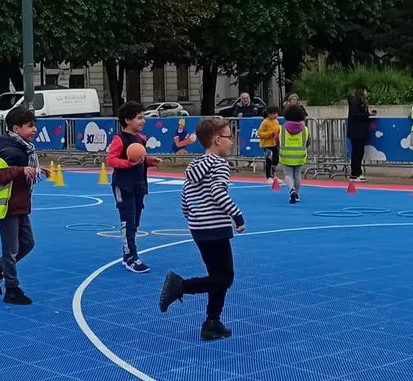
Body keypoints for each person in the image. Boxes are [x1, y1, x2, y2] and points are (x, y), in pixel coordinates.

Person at [158, 116, 245, 340]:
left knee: (216, 275)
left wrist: (192, 216)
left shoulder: (196, 165)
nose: (232, 141)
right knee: (225, 277)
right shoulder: (219, 164)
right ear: (217, 140)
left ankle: (212, 322)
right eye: (228, 137)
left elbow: (185, 197)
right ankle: (180, 286)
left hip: (199, 227)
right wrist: (236, 215)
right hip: (215, 227)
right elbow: (218, 192)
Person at [0, 104, 47, 305]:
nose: (34, 129)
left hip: (20, 203)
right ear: (16, 129)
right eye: (29, 125)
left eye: (34, 125)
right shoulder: (7, 150)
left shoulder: (23, 149)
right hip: (8, 205)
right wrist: (20, 171)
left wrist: (36, 170)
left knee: (27, 243)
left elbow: (23, 169)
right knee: (11, 248)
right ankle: (12, 288)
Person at [106, 101, 161, 274]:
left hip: (139, 185)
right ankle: (131, 257)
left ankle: (128, 254)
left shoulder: (140, 139)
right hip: (123, 185)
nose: (143, 121)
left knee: (135, 221)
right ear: (128, 120)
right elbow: (111, 160)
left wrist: (149, 161)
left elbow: (140, 161)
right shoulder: (119, 139)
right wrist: (127, 163)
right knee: (127, 221)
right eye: (139, 118)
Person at [280, 103, 311, 204]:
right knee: (297, 175)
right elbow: (308, 142)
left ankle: (291, 190)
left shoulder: (282, 129)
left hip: (286, 155)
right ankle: (297, 193)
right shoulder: (305, 129)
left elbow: (277, 141)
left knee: (288, 174)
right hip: (299, 155)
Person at [346, 87, 375, 182]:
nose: (367, 93)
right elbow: (355, 115)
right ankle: (355, 173)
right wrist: (367, 115)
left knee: (359, 152)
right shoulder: (355, 102)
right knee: (357, 153)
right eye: (366, 91)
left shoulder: (362, 102)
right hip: (356, 131)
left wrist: (368, 113)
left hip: (360, 131)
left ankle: (357, 172)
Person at [256, 106, 281, 183]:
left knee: (276, 159)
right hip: (267, 144)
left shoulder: (276, 122)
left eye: (276, 113)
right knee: (269, 160)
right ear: (269, 114)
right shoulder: (265, 122)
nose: (275, 115)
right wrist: (270, 134)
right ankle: (268, 176)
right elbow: (259, 133)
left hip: (274, 143)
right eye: (273, 114)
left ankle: (273, 175)